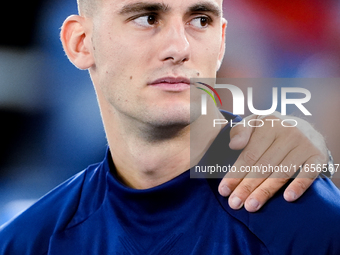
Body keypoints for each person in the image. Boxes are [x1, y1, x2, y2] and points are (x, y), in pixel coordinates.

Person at [1, 0, 339, 254]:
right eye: (147, 18)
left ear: (221, 41)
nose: (180, 48)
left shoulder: (312, 223)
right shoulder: (25, 242)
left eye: (200, 19)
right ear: (81, 42)